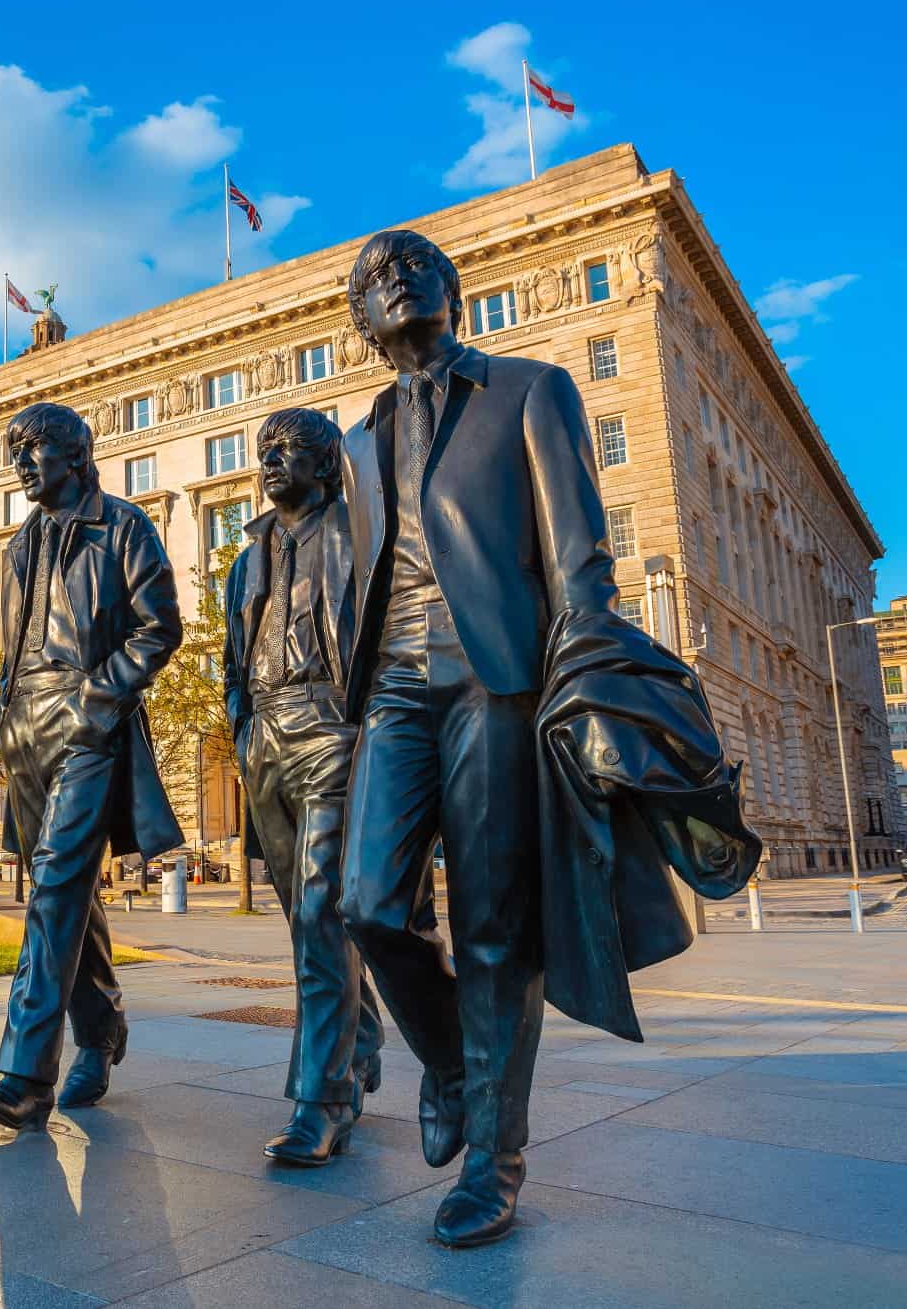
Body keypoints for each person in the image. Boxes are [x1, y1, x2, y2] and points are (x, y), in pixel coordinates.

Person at [335, 228, 624, 1246]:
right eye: (373, 277)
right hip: (392, 692)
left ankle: (492, 1163)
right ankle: (455, 1068)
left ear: (454, 290)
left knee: (495, 929)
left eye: (415, 265)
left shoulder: (528, 390)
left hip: (494, 677)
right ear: (359, 322)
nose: (396, 277)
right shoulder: (356, 434)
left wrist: (583, 678)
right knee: (366, 902)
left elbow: (580, 556)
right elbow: (357, 577)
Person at [0, 402, 183, 1130]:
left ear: (76, 454)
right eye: (15, 454)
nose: (22, 465)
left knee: (55, 886)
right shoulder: (16, 545)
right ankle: (102, 1026)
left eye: (35, 451)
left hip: (88, 721)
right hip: (24, 726)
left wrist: (100, 695)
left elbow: (161, 626)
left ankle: (25, 1074)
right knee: (71, 893)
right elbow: (13, 641)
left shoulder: (123, 524)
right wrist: (2, 712)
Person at [221, 407, 387, 1166]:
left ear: (325, 462)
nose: (270, 460)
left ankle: (319, 1099)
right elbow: (232, 653)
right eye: (264, 450)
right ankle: (362, 1032)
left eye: (287, 447)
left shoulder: (358, 530)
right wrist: (242, 726)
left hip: (333, 723)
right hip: (266, 732)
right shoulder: (246, 552)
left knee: (321, 907)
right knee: (306, 920)